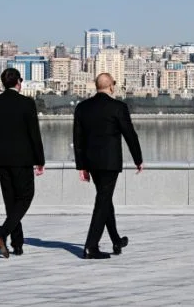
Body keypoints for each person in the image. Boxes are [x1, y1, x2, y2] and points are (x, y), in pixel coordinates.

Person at [73, 73, 143, 259]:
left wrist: (81, 166)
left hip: (92, 162)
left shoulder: (82, 108)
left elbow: (77, 139)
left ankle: (116, 240)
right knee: (103, 200)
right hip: (110, 162)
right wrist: (138, 159)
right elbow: (130, 134)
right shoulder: (118, 107)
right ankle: (91, 246)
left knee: (105, 199)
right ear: (111, 86)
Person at [0, 68, 45, 259]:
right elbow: (34, 134)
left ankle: (17, 243)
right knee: (25, 197)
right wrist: (40, 160)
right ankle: (3, 232)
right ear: (19, 82)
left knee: (11, 201)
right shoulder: (26, 103)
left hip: (1, 159)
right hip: (22, 159)